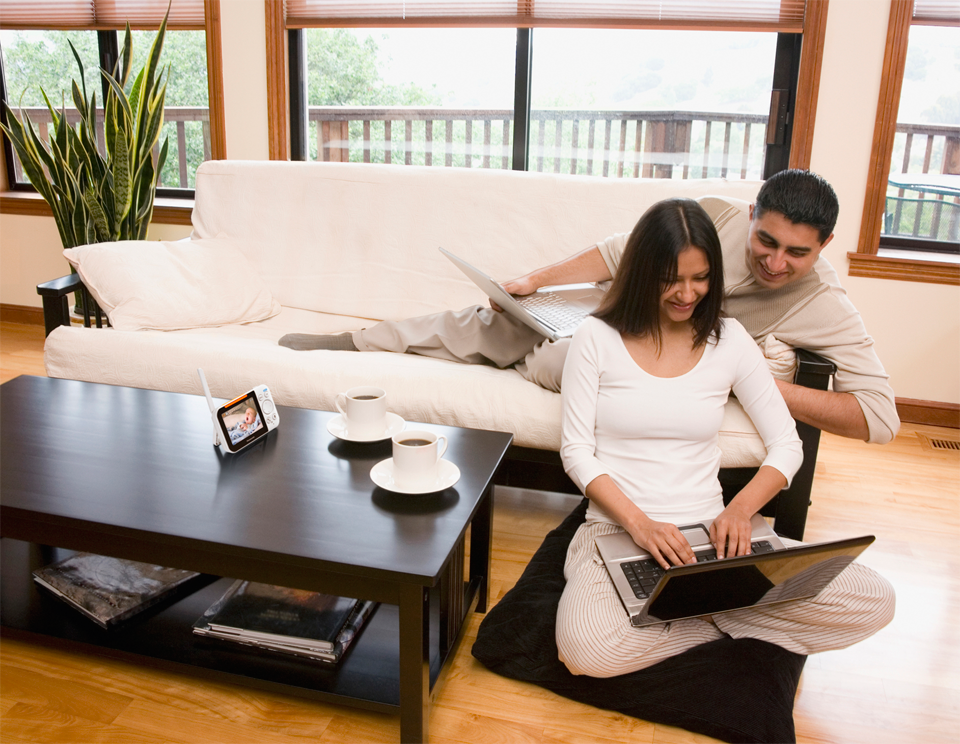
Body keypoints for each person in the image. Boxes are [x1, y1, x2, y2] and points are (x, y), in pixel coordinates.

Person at [280, 169, 899, 445]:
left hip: (639, 351)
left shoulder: (822, 302)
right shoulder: (717, 215)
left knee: (563, 356)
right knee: (490, 320)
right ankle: (355, 343)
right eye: (766, 241)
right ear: (753, 214)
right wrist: (533, 282)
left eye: (797, 252)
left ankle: (532, 354)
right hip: (611, 311)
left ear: (824, 246)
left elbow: (879, 418)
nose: (775, 262)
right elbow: (617, 251)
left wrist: (755, 381)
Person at [554, 198, 894, 677]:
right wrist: (641, 525)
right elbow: (576, 452)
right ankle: (723, 616)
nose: (687, 294)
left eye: (701, 278)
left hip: (713, 539)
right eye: (670, 279)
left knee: (874, 598)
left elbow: (787, 445)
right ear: (642, 272)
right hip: (616, 532)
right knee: (585, 652)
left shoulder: (729, 339)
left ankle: (691, 609)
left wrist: (739, 511)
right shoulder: (595, 336)